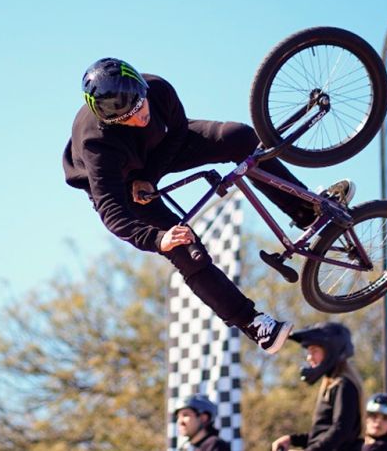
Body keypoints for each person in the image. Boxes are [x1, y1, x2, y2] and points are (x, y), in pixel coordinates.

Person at [62, 57, 356, 354]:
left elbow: (177, 132)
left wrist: (150, 176)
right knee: (184, 246)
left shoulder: (158, 89)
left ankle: (305, 212)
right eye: (127, 119)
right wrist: (157, 238)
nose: (139, 119)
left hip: (161, 147)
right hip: (121, 184)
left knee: (239, 137)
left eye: (141, 108)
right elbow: (112, 212)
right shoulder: (97, 145)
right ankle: (254, 324)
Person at [271, 322, 364, 451]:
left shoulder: (344, 385)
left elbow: (341, 431)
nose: (309, 358)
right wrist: (292, 439)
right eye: (308, 352)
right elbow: (323, 434)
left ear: (331, 351)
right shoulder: (332, 384)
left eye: (314, 351)